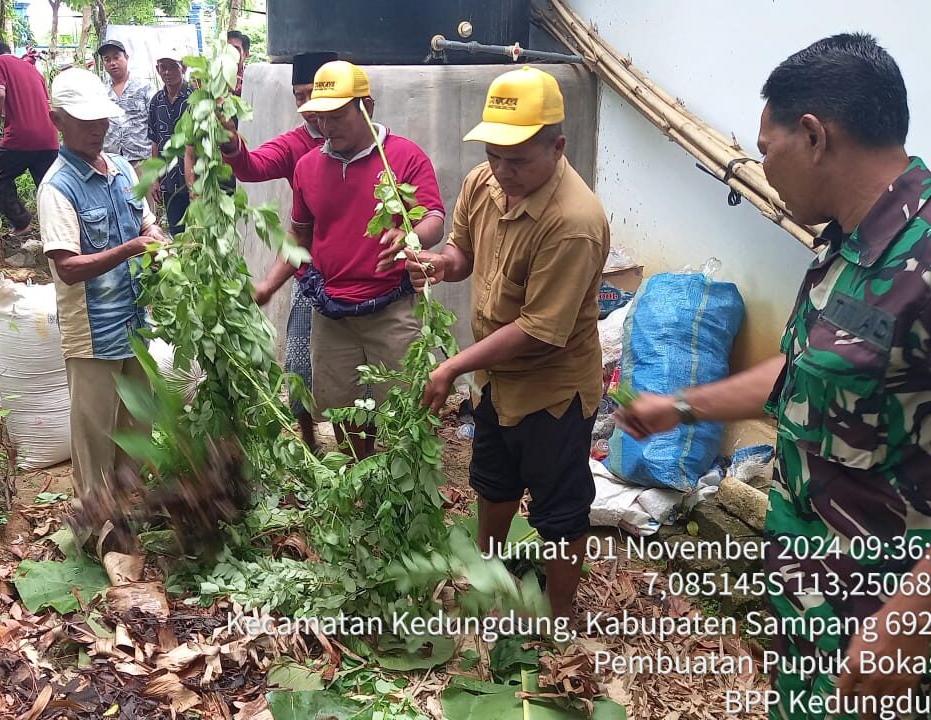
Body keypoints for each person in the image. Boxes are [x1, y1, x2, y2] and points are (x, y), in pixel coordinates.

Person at [617, 33, 931, 716]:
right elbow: (802, 370)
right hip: (814, 598)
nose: (763, 168)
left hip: (887, 628)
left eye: (766, 149)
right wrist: (681, 407)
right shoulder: (846, 243)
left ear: (814, 136)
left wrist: (912, 618)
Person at [385, 67, 608, 620]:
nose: (502, 171)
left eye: (519, 160)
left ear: (557, 147)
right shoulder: (485, 184)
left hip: (552, 389)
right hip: (495, 381)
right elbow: (462, 253)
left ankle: (561, 618)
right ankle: (489, 575)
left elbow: (537, 328)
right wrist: (438, 265)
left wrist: (452, 366)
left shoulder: (574, 222)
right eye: (494, 154)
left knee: (560, 510)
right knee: (492, 480)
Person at [254, 61, 445, 459]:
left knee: (405, 405)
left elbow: (434, 219)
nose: (327, 127)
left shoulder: (403, 157)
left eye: (337, 116)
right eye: (320, 118)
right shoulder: (308, 168)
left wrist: (411, 234)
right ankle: (362, 477)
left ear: (367, 107)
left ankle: (404, 488)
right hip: (331, 312)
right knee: (344, 409)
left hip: (389, 307)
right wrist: (269, 284)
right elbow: (300, 235)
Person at [39, 67, 167, 509]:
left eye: (102, 120)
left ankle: (133, 507)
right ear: (57, 120)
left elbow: (148, 225)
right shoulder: (57, 188)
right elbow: (69, 268)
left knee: (137, 424)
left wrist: (159, 245)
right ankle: (97, 520)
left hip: (135, 323)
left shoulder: (122, 171)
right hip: (93, 331)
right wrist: (133, 248)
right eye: (85, 121)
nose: (98, 130)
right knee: (94, 432)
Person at [219, 51, 337, 448]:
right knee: (300, 366)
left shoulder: (370, 143)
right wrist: (232, 144)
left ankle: (359, 453)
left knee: (353, 380)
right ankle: (309, 446)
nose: (306, 107)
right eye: (298, 97)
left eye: (312, 95)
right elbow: (251, 167)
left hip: (360, 278)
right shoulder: (296, 145)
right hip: (312, 274)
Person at [0, 39, 59, 237]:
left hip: (22, 135)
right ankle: (57, 229)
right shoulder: (32, 69)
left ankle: (21, 223)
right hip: (49, 136)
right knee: (48, 185)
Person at [148, 46, 193, 233]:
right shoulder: (156, 101)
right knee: (177, 233)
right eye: (162, 67)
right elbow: (155, 140)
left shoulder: (194, 97)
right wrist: (155, 179)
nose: (167, 72)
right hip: (169, 182)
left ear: (183, 67)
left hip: (195, 179)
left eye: (172, 67)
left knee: (200, 233)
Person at [97, 39, 152, 169]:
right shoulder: (101, 92)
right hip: (112, 161)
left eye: (116, 57)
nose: (113, 63)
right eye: (107, 59)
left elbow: (154, 122)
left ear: (126, 57)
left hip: (140, 159)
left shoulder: (144, 87)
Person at [226, 29, 248, 96]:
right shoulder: (213, 77)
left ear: (246, 54)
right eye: (227, 49)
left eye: (236, 49)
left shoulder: (251, 79)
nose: (231, 53)